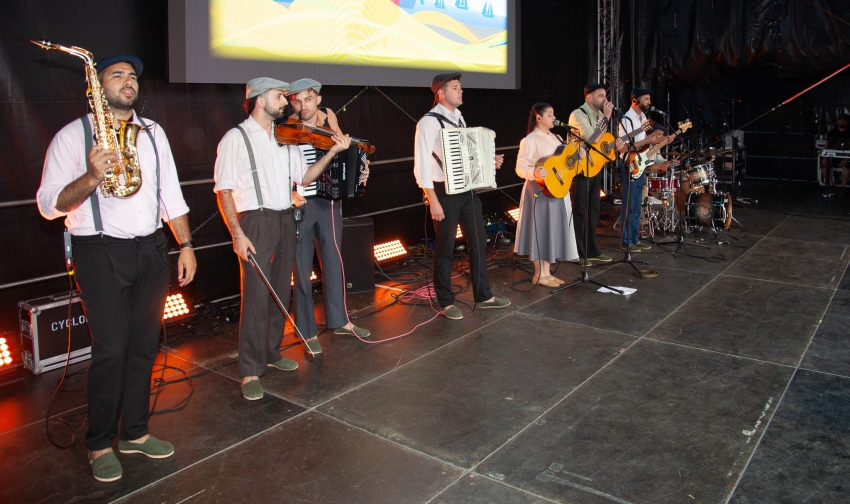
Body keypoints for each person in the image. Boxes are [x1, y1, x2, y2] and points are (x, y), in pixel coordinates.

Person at [37, 54, 197, 482]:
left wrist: (185, 245)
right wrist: (91, 177)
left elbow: (171, 195)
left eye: (132, 76)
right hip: (100, 250)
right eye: (117, 75)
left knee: (144, 346)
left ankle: (135, 433)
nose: (129, 81)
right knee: (111, 350)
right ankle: (98, 442)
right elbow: (48, 205)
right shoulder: (73, 136)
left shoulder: (153, 133)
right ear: (96, 86)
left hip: (151, 249)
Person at [214, 77, 351, 401]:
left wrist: (333, 151)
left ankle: (271, 352)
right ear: (260, 100)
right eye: (279, 96)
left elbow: (304, 177)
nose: (286, 103)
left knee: (279, 291)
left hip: (286, 218)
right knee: (255, 296)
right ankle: (250, 370)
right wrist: (237, 234)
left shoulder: (284, 137)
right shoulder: (235, 138)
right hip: (256, 220)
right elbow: (223, 191)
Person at [413, 72, 511, 319]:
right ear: (441, 93)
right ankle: (446, 302)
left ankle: (484, 296)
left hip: (466, 190)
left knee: (478, 241)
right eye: (455, 87)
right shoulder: (428, 122)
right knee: (445, 247)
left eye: (460, 87)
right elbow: (421, 165)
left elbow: (465, 156)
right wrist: (433, 201)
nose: (461, 91)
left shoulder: (459, 117)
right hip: (443, 192)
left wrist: (489, 161)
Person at [285, 78, 371, 346]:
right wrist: (287, 192)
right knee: (301, 268)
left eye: (307, 99)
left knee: (334, 260)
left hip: (329, 200)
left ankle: (340, 320)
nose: (302, 106)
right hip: (301, 202)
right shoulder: (286, 127)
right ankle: (306, 330)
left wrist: (360, 168)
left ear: (318, 99)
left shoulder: (329, 116)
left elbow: (342, 150)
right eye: (296, 101)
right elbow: (278, 166)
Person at [514, 102, 580, 287]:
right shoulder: (530, 140)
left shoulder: (557, 137)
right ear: (539, 118)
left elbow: (563, 164)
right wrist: (533, 172)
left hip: (557, 189)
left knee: (551, 230)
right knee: (540, 230)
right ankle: (538, 274)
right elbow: (520, 167)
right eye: (550, 114)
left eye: (553, 114)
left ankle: (547, 272)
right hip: (539, 190)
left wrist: (578, 156)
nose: (554, 118)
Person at [568, 83, 622, 266]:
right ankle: (577, 252)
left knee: (593, 210)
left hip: (594, 167)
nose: (605, 99)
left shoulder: (598, 116)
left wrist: (616, 145)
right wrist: (606, 117)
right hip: (580, 168)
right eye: (601, 96)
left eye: (605, 95)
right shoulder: (578, 115)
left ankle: (591, 250)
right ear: (589, 97)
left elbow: (602, 144)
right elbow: (593, 138)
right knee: (579, 211)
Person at [618, 87, 669, 253]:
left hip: (640, 164)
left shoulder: (644, 118)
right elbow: (623, 147)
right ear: (635, 100)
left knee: (637, 204)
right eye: (646, 99)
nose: (649, 102)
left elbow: (644, 144)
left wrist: (659, 140)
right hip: (629, 164)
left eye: (649, 99)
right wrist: (646, 140)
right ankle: (626, 241)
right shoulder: (627, 119)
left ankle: (635, 238)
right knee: (629, 204)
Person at [820, 112, 850, 197]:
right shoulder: (832, 132)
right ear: (837, 121)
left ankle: (842, 188)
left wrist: (847, 158)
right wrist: (825, 157)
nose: (841, 122)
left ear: (847, 121)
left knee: (847, 166)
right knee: (823, 166)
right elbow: (826, 146)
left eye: (844, 120)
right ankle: (832, 186)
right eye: (840, 120)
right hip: (833, 156)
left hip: (846, 156)